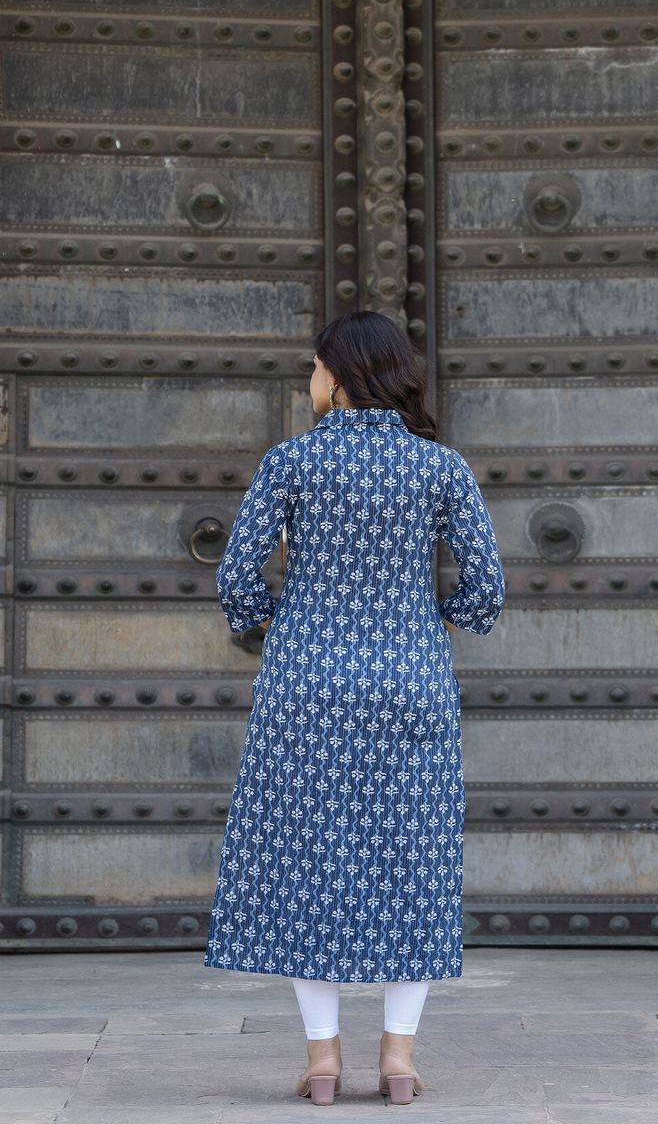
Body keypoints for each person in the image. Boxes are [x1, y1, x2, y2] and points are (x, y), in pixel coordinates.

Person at [204, 310, 505, 1106]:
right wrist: (429, 626)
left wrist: (274, 625)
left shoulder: (291, 461)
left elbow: (237, 577)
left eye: (313, 369)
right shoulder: (440, 467)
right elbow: (487, 591)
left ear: (338, 375)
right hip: (410, 683)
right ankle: (399, 1061)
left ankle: (324, 1061)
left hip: (305, 687)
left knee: (312, 865)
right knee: (415, 862)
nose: (309, 383)